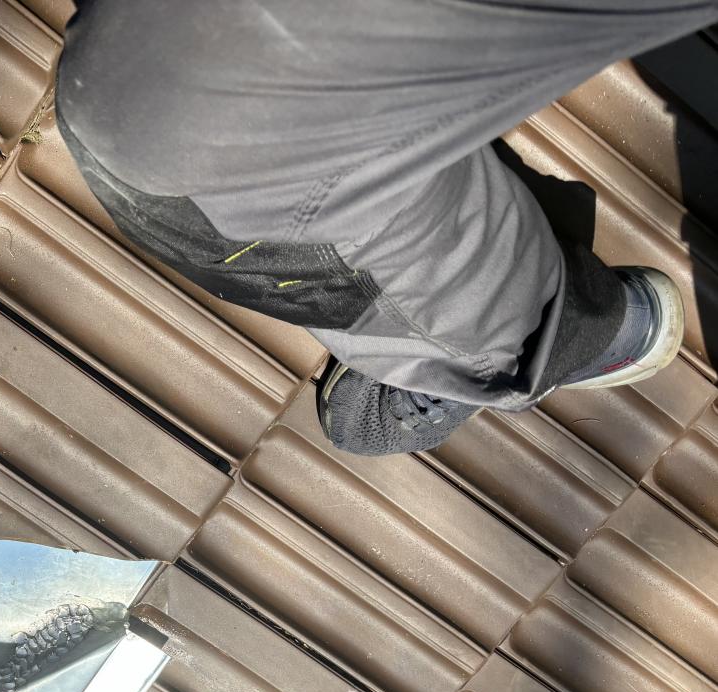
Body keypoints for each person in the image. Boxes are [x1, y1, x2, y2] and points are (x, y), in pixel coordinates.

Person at [55, 0, 713, 457]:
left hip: (142, 59)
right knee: (508, 336)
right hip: (183, 153)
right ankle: (529, 339)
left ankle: (511, 306)